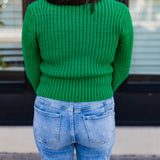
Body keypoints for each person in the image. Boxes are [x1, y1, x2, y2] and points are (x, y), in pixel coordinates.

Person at [21, 0, 134, 159]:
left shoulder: (36, 11)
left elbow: (31, 66)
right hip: (97, 106)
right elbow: (122, 69)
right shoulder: (118, 11)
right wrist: (100, 90)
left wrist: (50, 89)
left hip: (51, 107)